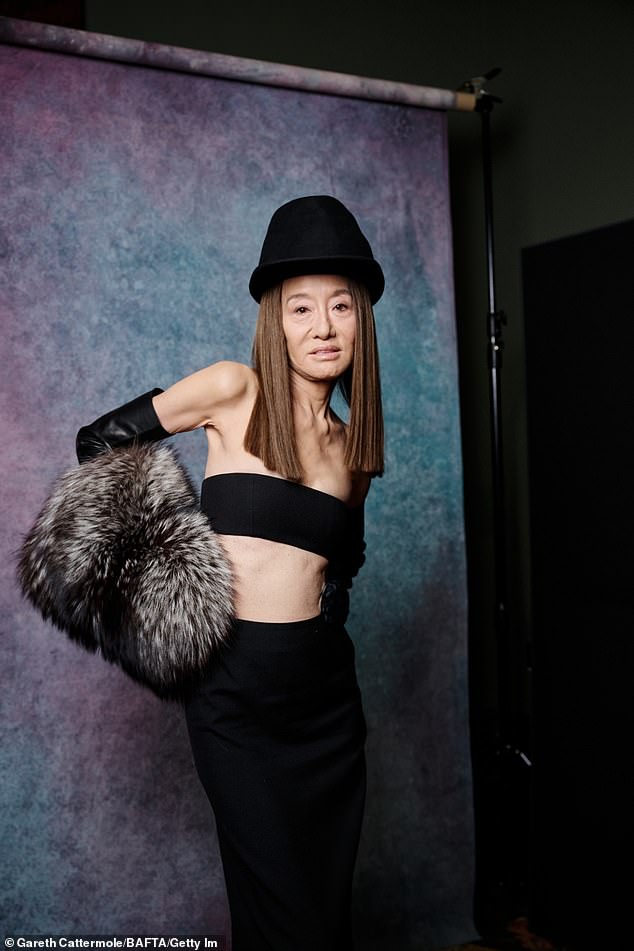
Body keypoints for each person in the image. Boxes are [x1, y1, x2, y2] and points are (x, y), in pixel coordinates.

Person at [74, 195, 385, 951]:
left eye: (340, 306)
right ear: (275, 320)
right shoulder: (232, 390)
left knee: (322, 915)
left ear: (360, 322)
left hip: (324, 703)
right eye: (301, 307)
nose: (322, 327)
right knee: (282, 910)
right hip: (232, 695)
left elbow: (342, 566)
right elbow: (100, 442)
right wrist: (168, 575)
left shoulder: (353, 450)